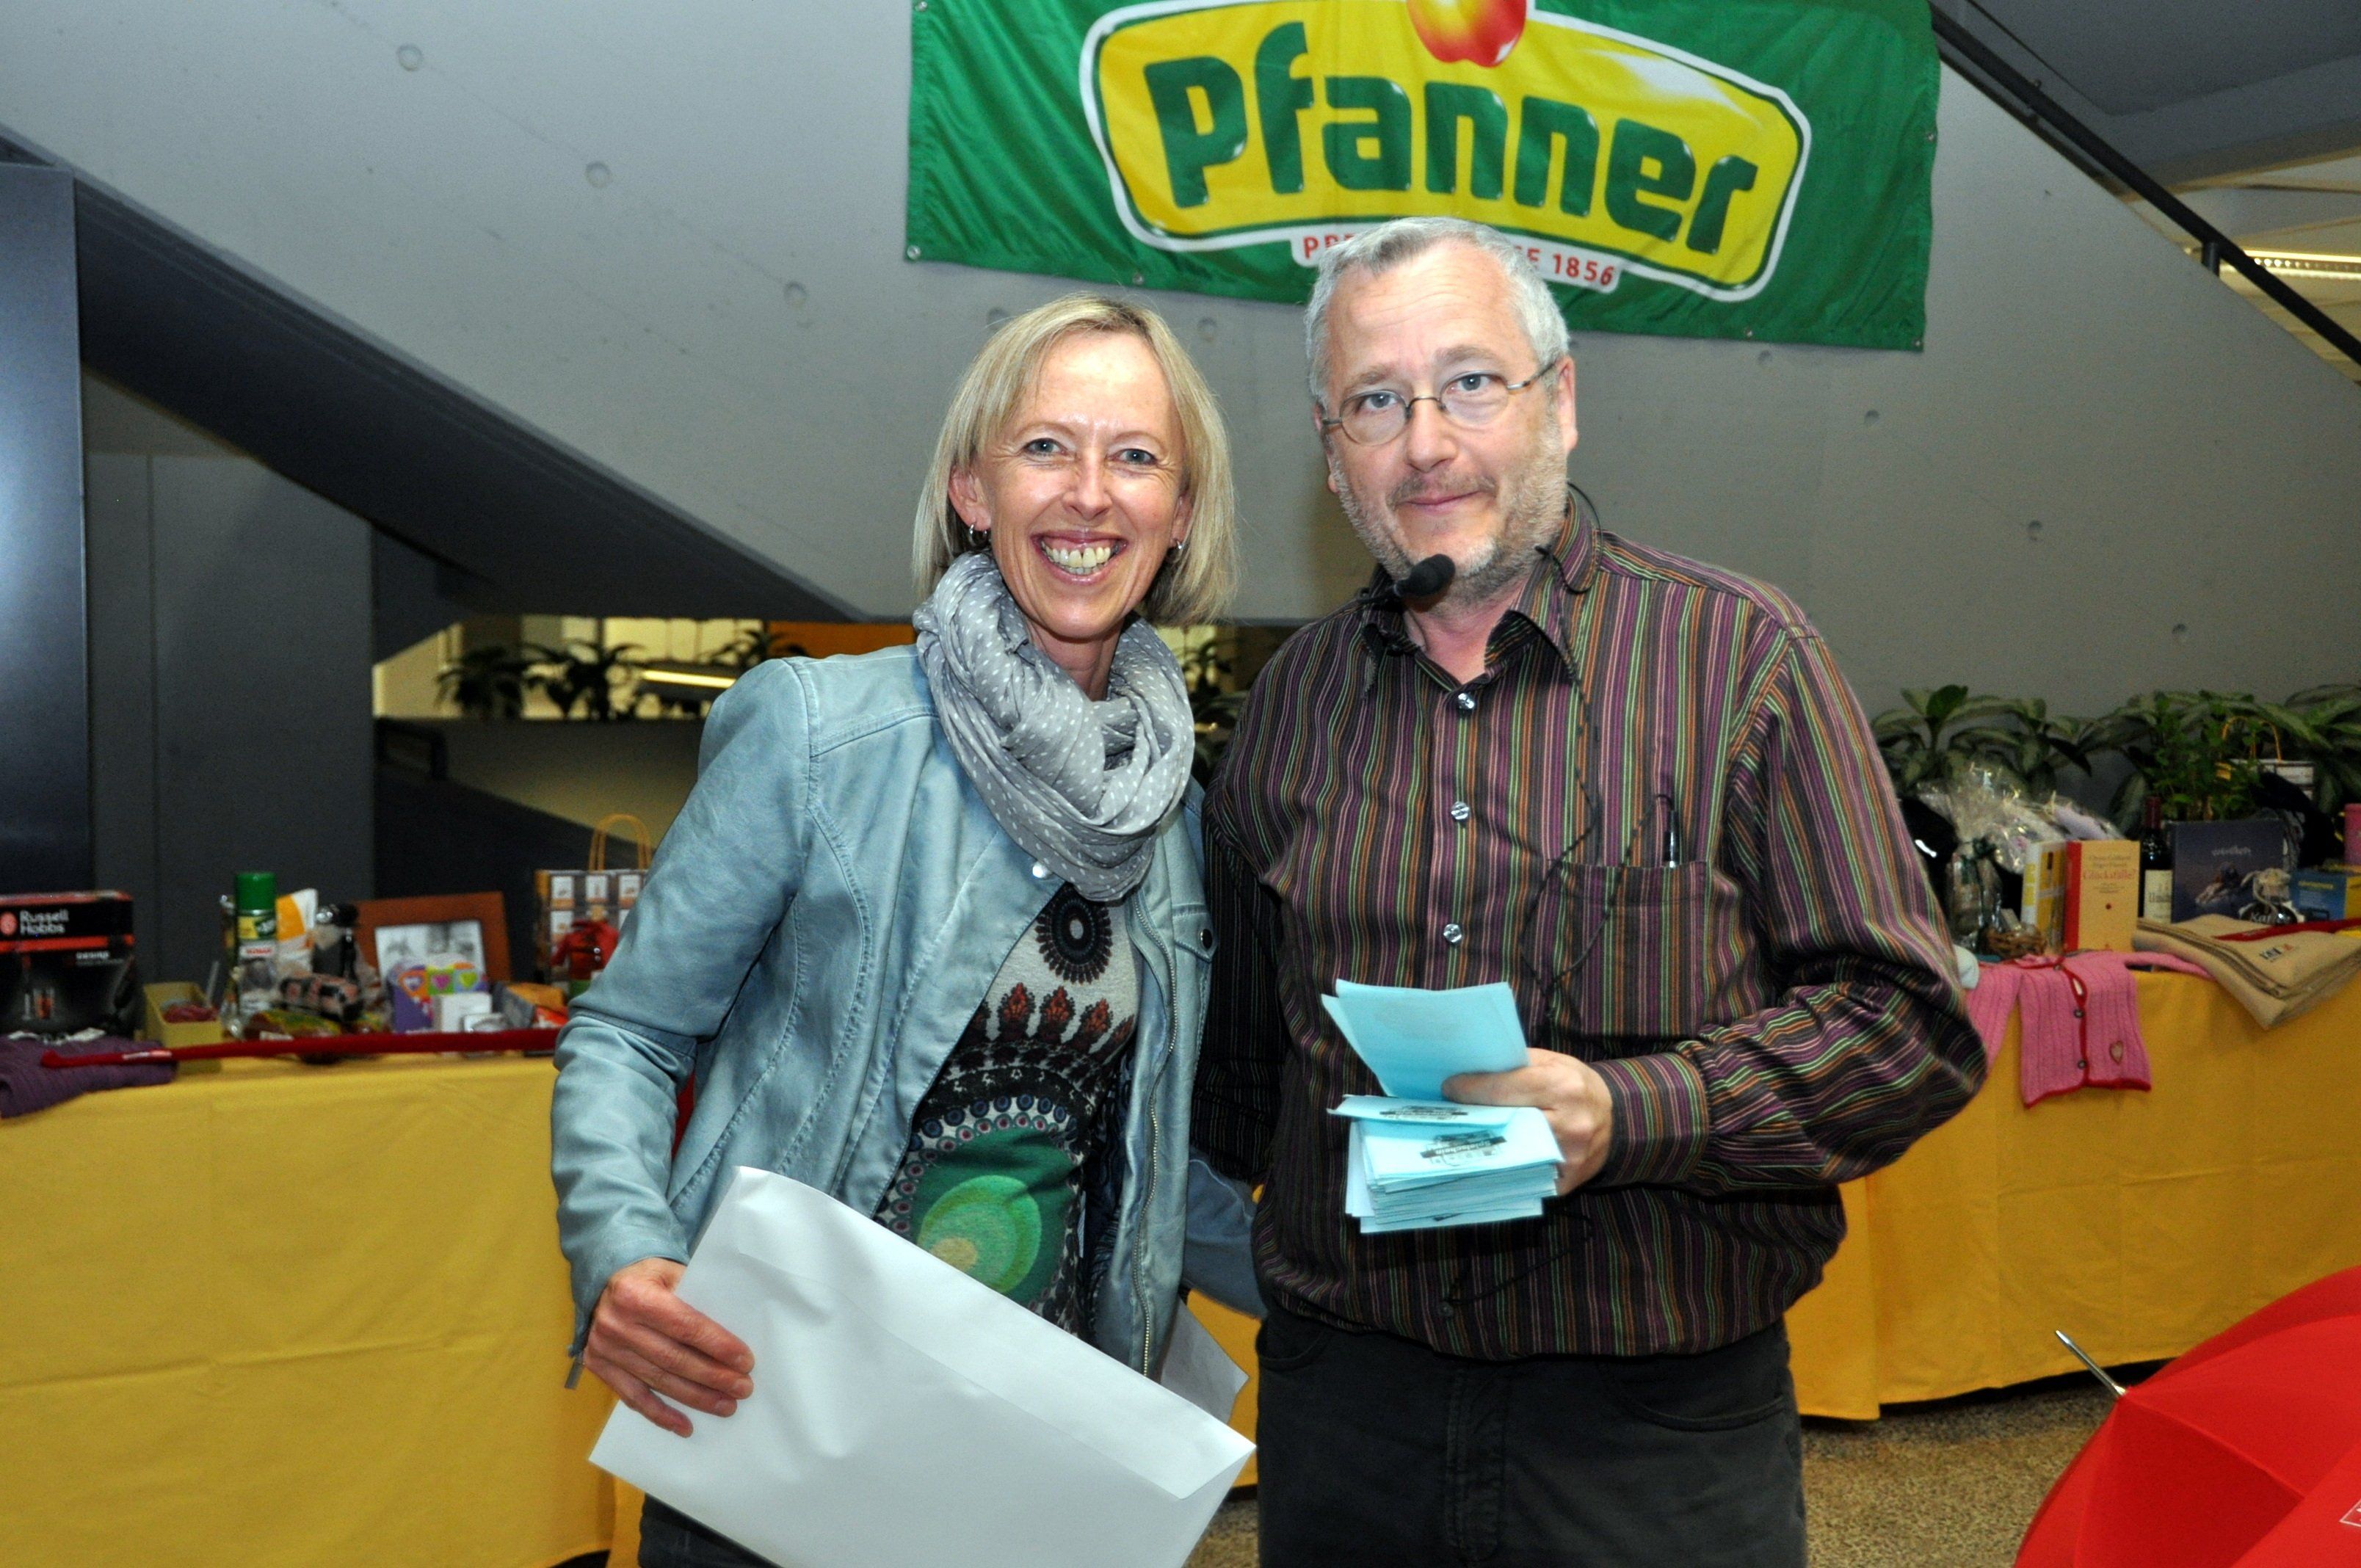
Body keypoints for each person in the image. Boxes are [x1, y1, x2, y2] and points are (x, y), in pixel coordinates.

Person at [1194, 217, 1984, 1566]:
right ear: (1332, 457)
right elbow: (1240, 1083)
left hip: (1653, 1443)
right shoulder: (1289, 710)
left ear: (1560, 401)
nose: (1425, 443)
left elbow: (1910, 1026)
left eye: (1469, 383)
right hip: (1348, 1425)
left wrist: (1633, 1113)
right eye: (1376, 402)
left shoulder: (1742, 661)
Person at [551, 293, 1259, 1567]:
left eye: (1136, 457)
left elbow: (1147, 1153)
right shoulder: (819, 733)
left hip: (1026, 1460)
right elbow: (629, 1033)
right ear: (971, 490)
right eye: (1045, 447)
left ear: (1180, 512)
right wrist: (622, 1252)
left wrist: (1369, 1292)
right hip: (778, 1424)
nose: (1089, 493)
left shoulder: (1175, 815)